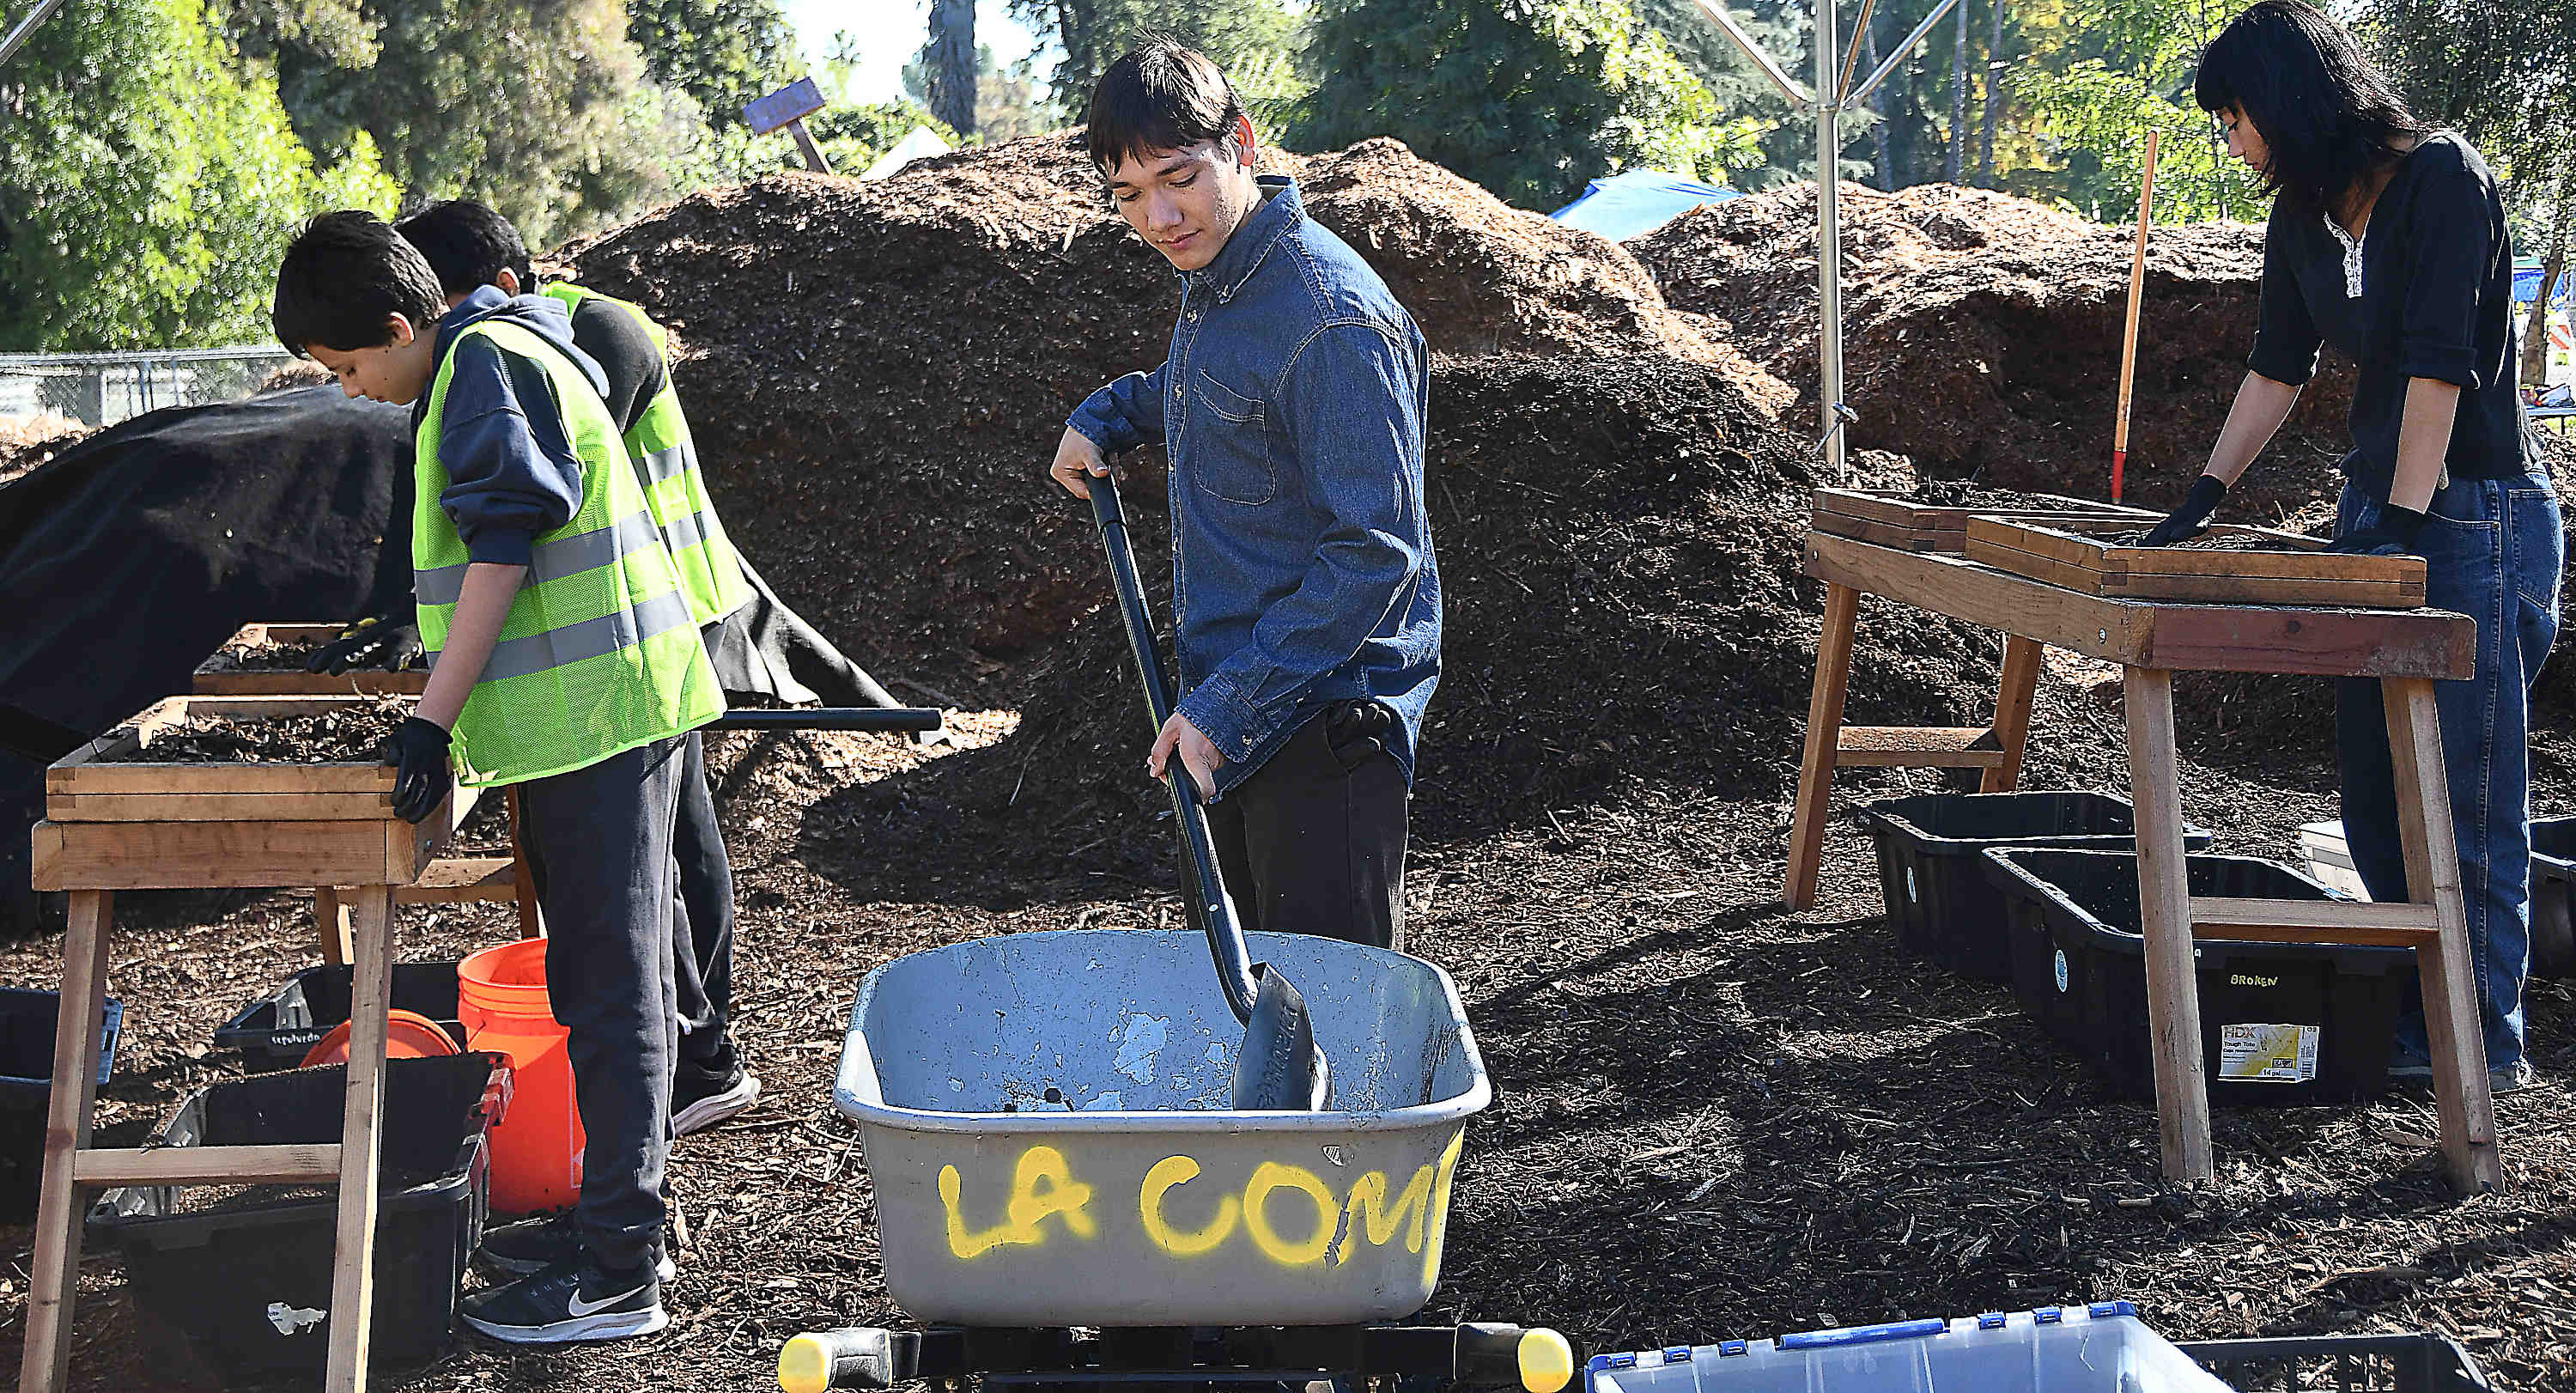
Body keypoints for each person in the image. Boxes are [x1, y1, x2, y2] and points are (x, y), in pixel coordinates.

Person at [273, 211, 721, 1341]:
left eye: (346, 367)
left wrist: (431, 720)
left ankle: (622, 1275)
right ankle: (618, 1221)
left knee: (613, 993)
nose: (348, 391)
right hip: (607, 714)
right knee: (599, 981)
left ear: (392, 325)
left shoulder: (480, 369)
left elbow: (503, 548)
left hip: (599, 720)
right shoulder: (500, 343)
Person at [2150, 0, 2561, 1091]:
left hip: (2474, 512)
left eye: (2235, 117)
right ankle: (2412, 1015)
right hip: (2377, 510)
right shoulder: (2305, 214)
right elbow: (2277, 367)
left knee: (2466, 793)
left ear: (2288, 100)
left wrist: (2407, 535)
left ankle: (2481, 1047)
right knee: (2374, 783)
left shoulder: (2444, 180)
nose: (2231, 142)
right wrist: (2203, 491)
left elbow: (2439, 372)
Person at [1049, 40, 1437, 952]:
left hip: (1323, 720)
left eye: (1178, 178)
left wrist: (1227, 710)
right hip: (1232, 708)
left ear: (1243, 143)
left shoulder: (1330, 316)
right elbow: (1223, 392)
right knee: (1241, 1012)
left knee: (1329, 1024)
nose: (1160, 215)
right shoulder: (1224, 283)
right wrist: (1113, 412)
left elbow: (1375, 554)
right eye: (1129, 195)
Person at [394, 201, 762, 1147]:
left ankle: (703, 1050)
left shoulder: (584, 333)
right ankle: (697, 1050)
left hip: (654, 614)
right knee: (660, 863)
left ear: (499, 286)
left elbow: (536, 508)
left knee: (670, 857)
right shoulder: (537, 339)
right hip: (629, 622)